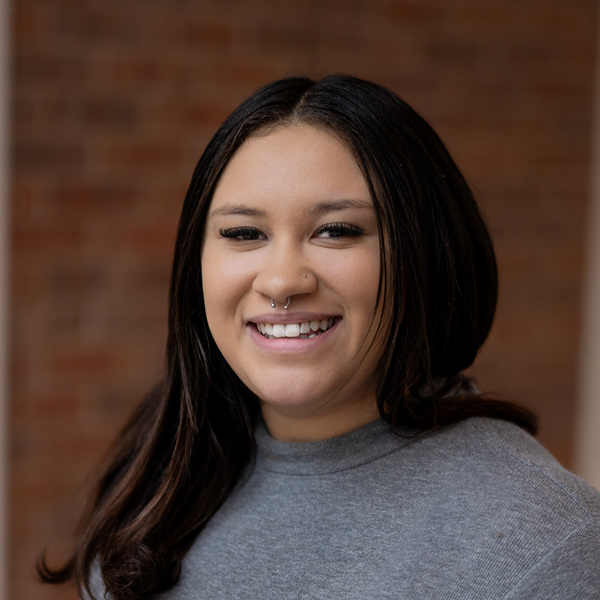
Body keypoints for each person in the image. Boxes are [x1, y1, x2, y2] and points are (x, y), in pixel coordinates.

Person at [40, 75, 600, 600]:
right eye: (243, 233)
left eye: (336, 231)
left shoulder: (546, 540)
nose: (283, 280)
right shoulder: (161, 481)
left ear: (427, 256)